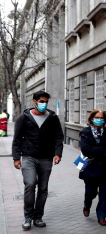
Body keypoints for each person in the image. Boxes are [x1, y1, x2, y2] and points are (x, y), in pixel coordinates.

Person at [12, 90, 64, 230]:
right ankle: (28, 216)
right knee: (30, 184)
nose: (44, 104)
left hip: (46, 158)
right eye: (41, 101)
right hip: (29, 156)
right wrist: (16, 158)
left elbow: (59, 137)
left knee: (43, 188)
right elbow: (17, 139)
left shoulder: (52, 117)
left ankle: (38, 217)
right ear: (34, 102)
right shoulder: (24, 117)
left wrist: (58, 153)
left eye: (46, 102)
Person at [79, 109, 106, 226]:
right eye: (97, 117)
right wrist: (102, 151)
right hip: (90, 168)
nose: (99, 120)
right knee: (90, 192)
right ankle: (87, 204)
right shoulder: (85, 132)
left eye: (102, 118)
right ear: (91, 119)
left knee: (104, 193)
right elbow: (85, 150)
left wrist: (101, 151)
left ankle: (101, 216)